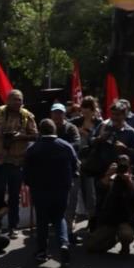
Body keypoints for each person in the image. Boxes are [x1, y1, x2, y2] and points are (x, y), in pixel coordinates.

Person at [0, 89, 37, 238]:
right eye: (14, 99)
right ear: (7, 101)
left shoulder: (27, 116)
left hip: (17, 162)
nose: (17, 102)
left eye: (19, 99)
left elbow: (35, 136)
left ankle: (14, 227)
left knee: (14, 196)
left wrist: (20, 136)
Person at [24, 119, 78, 264]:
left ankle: (42, 251)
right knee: (59, 217)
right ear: (54, 130)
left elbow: (26, 171)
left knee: (42, 219)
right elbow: (75, 165)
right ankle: (63, 243)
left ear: (40, 131)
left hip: (40, 189)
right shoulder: (66, 146)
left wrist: (29, 183)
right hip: (61, 188)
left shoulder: (33, 148)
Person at [85, 155, 134, 256]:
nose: (123, 169)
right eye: (120, 166)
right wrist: (108, 174)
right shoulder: (111, 179)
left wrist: (128, 181)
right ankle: (111, 240)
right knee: (91, 246)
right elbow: (99, 189)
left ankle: (125, 246)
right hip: (109, 220)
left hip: (126, 220)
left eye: (125, 166)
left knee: (126, 235)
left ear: (131, 167)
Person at [51, 103, 82, 243]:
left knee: (70, 202)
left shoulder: (71, 127)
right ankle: (56, 229)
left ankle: (68, 231)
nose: (57, 115)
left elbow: (77, 143)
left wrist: (58, 147)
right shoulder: (47, 127)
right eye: (55, 113)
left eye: (60, 113)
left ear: (64, 114)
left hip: (69, 169)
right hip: (52, 171)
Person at [71, 96, 102, 229]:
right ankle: (71, 219)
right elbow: (68, 128)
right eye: (83, 108)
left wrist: (86, 133)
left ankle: (92, 218)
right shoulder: (76, 121)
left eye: (88, 109)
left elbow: (99, 140)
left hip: (92, 162)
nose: (84, 112)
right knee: (75, 191)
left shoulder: (98, 122)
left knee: (91, 192)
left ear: (93, 109)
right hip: (78, 160)